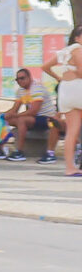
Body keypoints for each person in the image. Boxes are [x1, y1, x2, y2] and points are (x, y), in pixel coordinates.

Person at [54, 32, 82, 177]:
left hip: (65, 89)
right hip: (77, 90)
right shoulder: (78, 49)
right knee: (74, 131)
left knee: (72, 131)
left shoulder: (65, 51)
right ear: (77, 37)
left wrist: (59, 78)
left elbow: (45, 66)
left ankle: (70, 167)